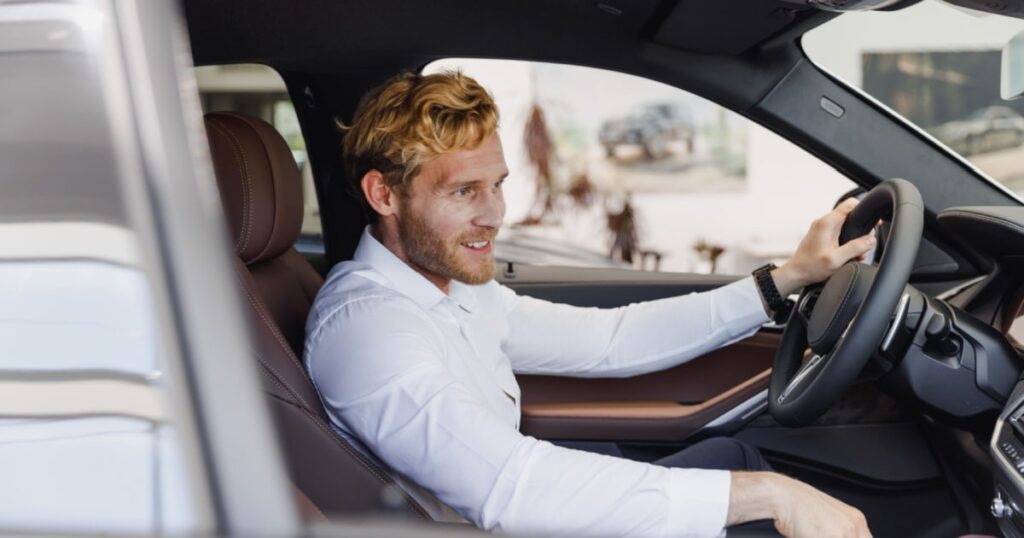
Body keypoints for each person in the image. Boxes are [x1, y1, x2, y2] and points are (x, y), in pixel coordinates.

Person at [304, 71, 875, 538]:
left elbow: (611, 340)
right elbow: (511, 488)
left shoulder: (449, 289)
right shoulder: (370, 329)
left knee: (732, 456)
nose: (494, 214)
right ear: (384, 195)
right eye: (463, 192)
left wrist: (787, 278)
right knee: (752, 495)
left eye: (497, 184)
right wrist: (767, 495)